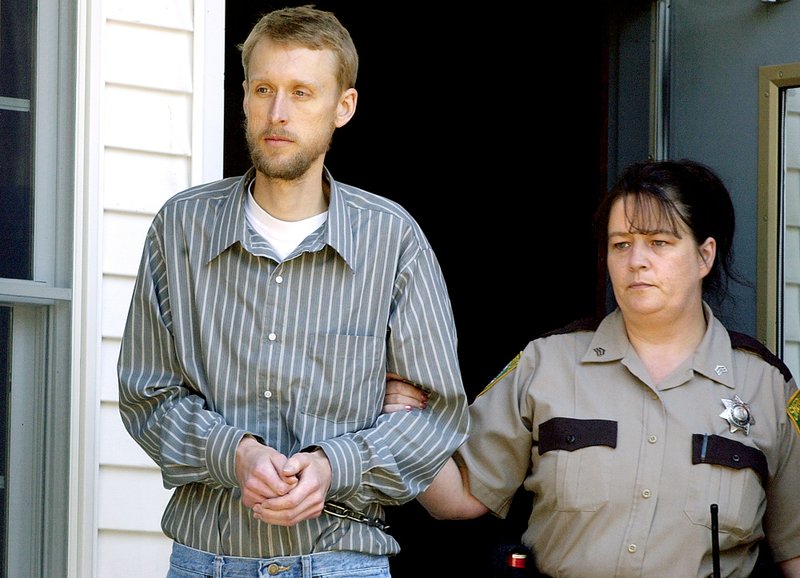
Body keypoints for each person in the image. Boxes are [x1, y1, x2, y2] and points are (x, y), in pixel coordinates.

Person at [117, 5, 469, 577]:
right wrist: (236, 454)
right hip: (206, 560)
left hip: (339, 561)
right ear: (246, 97)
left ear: (343, 107)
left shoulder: (392, 239)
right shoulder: (180, 228)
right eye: (263, 89)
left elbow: (436, 418)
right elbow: (147, 394)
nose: (277, 113)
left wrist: (337, 465)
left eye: (302, 92)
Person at [385, 159, 800, 577]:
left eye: (658, 242)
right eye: (621, 244)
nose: (636, 260)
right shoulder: (547, 363)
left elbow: (794, 552)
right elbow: (455, 498)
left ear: (704, 256)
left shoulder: (766, 385)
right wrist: (402, 421)